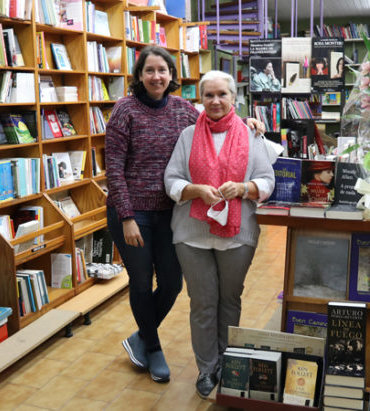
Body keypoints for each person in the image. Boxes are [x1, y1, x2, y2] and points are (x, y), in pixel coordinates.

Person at [105, 46, 264, 384]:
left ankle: (140, 337)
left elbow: (218, 117)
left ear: (172, 74)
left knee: (173, 284)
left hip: (171, 212)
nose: (156, 77)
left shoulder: (182, 109)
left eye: (162, 70)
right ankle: (153, 346)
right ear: (139, 75)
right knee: (141, 280)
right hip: (133, 212)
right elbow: (114, 169)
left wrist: (248, 119)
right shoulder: (124, 110)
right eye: (149, 70)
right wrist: (127, 215)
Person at [164, 70, 275, 398]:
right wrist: (194, 189)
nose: (215, 101)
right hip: (191, 234)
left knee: (229, 299)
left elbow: (267, 182)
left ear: (233, 98)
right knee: (202, 303)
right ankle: (206, 368)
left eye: (221, 94)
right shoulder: (187, 136)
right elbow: (171, 180)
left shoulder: (251, 135)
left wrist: (244, 188)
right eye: (208, 95)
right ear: (201, 99)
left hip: (237, 235)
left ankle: (228, 362)